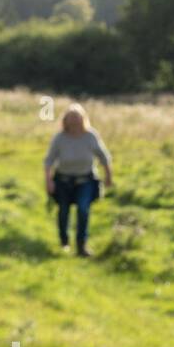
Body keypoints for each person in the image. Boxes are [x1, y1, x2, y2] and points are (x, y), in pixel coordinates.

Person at [43, 103, 112, 257]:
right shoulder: (59, 138)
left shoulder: (91, 136)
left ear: (83, 119)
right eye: (71, 118)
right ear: (65, 120)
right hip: (63, 181)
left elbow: (104, 156)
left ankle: (81, 246)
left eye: (77, 118)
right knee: (64, 211)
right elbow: (49, 161)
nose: (74, 122)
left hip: (85, 181)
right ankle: (64, 241)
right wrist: (48, 181)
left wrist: (108, 175)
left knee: (83, 209)